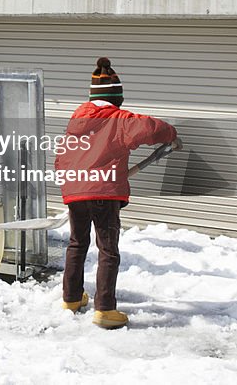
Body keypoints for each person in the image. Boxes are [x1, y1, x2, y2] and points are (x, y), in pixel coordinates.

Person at [55, 57, 178, 329]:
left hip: (75, 190)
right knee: (107, 250)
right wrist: (171, 133)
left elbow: (61, 157)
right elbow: (150, 127)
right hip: (103, 192)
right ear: (116, 97)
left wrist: (71, 185)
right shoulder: (119, 119)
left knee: (77, 244)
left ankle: (72, 298)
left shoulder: (76, 119)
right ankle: (105, 310)